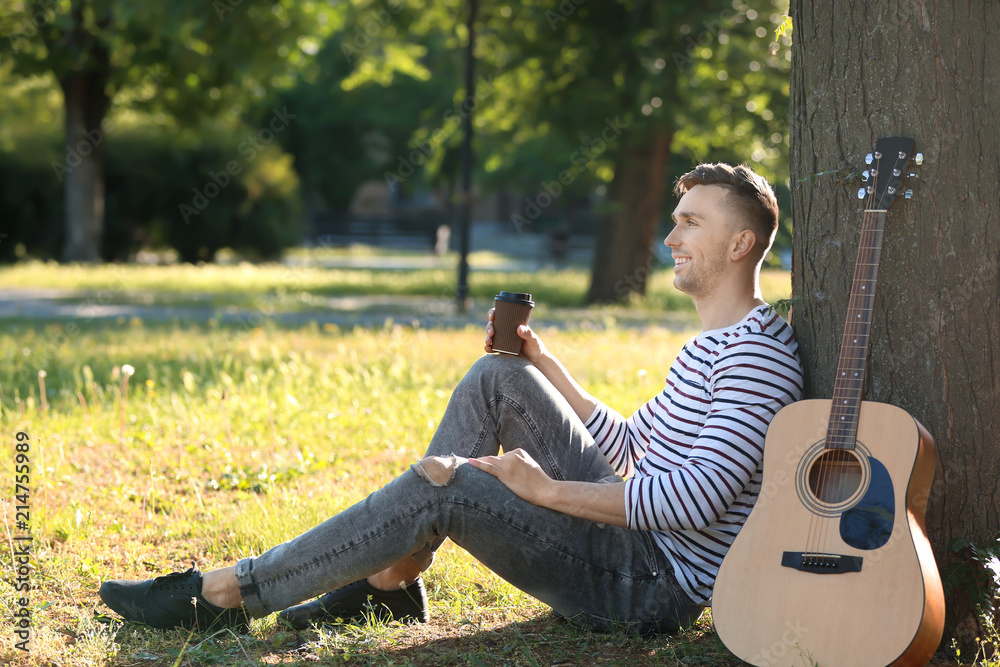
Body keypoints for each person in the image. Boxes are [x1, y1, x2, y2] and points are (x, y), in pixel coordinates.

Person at [99, 163, 803, 636]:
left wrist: (547, 490)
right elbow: (628, 449)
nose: (670, 237)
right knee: (497, 375)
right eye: (675, 220)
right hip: (635, 538)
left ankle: (228, 593)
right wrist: (543, 362)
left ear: (741, 243)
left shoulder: (756, 356)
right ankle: (393, 575)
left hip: (650, 582)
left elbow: (692, 502)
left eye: (691, 223)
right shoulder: (713, 343)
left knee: (444, 486)